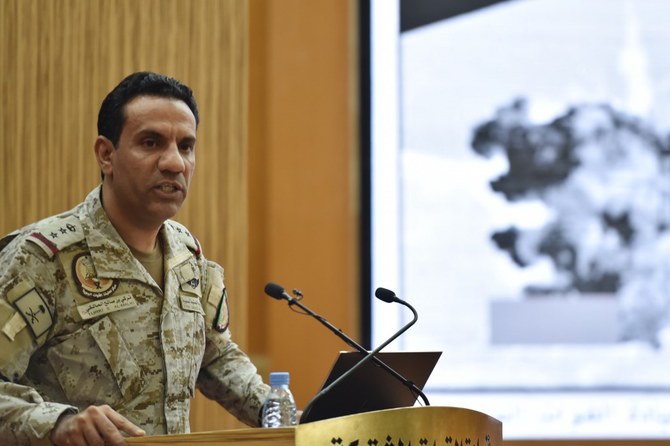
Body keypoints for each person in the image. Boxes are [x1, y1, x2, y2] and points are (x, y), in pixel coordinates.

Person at [0, 72, 270, 445]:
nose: (175, 163)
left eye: (186, 146)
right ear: (106, 154)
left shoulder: (186, 254)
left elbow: (215, 358)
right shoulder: (43, 258)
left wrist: (282, 414)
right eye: (151, 142)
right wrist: (58, 424)